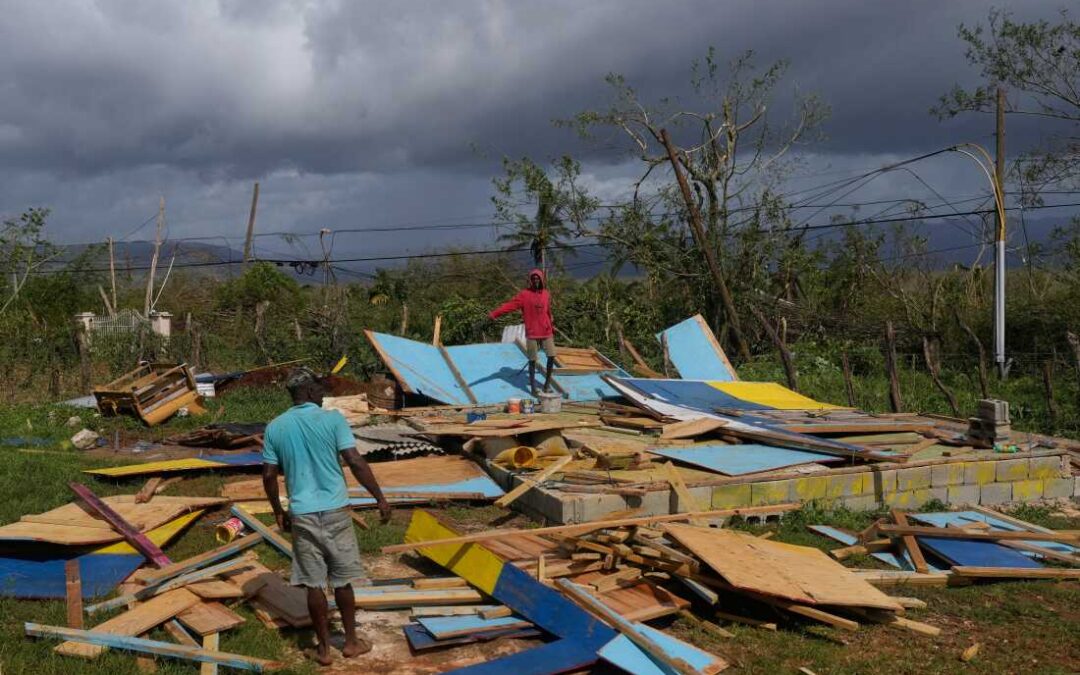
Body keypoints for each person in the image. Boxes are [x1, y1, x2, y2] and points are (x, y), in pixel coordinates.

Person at [261, 367, 391, 666]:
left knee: (313, 583)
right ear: (306, 391)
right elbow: (355, 461)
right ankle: (351, 642)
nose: (323, 393)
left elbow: (268, 475)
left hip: (303, 514)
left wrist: (278, 511)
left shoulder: (275, 427)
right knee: (343, 580)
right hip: (335, 511)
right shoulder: (333, 420)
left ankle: (323, 651)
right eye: (318, 389)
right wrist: (380, 498)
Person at [489, 268, 556, 395]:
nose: (536, 280)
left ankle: (547, 385)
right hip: (532, 332)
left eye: (538, 278)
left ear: (542, 280)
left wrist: (552, 326)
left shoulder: (546, 294)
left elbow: (548, 312)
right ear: (530, 280)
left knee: (551, 356)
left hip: (546, 331)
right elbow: (509, 305)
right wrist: (494, 314)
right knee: (532, 360)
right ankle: (532, 389)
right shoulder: (524, 295)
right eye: (533, 278)